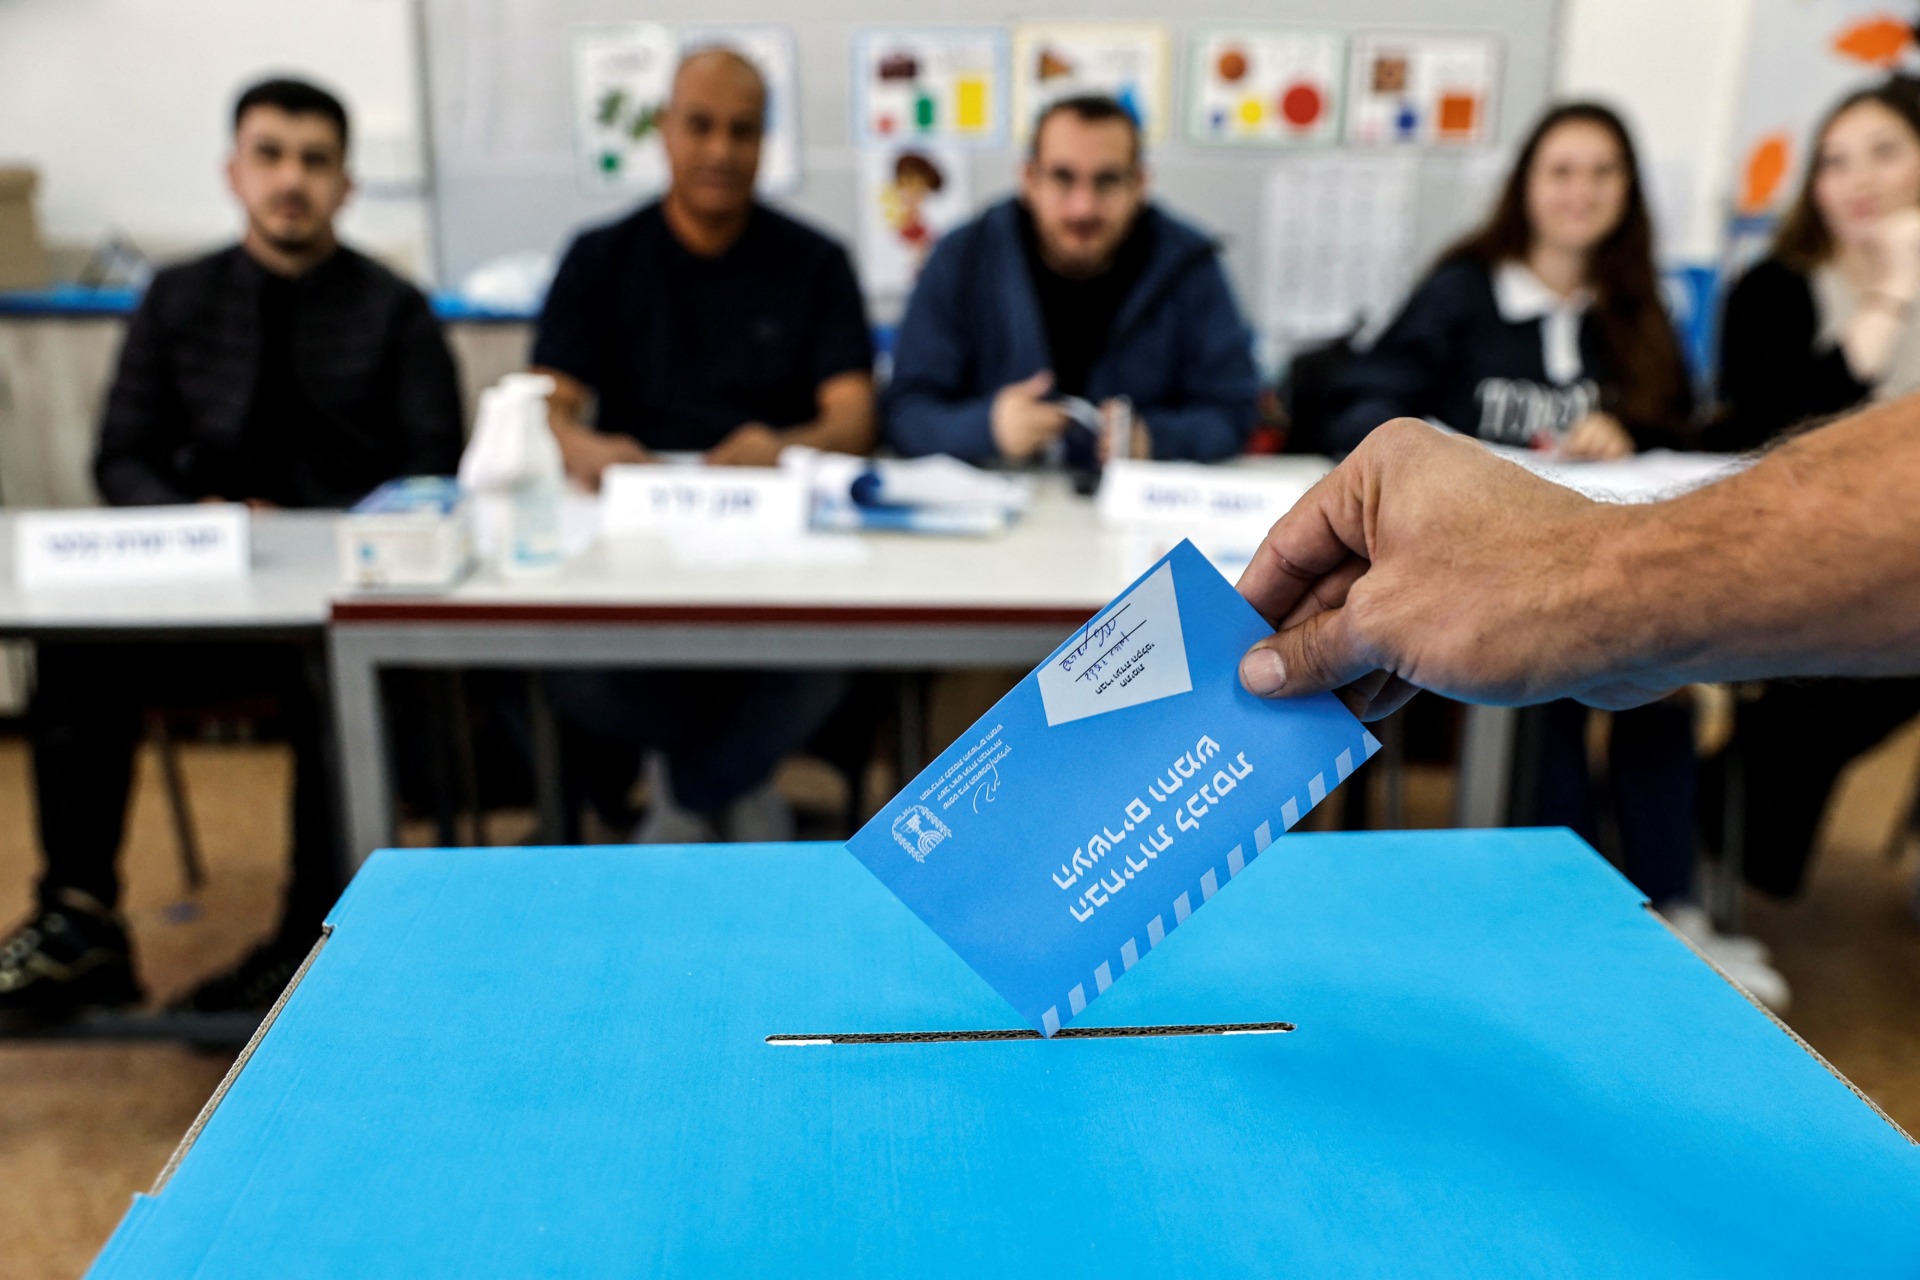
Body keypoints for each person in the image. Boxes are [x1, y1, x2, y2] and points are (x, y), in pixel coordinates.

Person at [0, 78, 464, 1017]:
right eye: (271, 155)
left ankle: (312, 940)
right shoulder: (176, 299)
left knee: (341, 679)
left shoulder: (396, 312)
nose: (291, 179)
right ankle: (81, 923)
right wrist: (207, 522)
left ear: (346, 185)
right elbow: (119, 458)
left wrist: (306, 533)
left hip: (338, 610)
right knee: (76, 657)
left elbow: (431, 471)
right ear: (234, 171)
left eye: (315, 160)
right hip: (201, 602)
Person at [1313, 103, 1746, 983]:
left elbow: (1680, 427)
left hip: (1607, 554)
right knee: (1543, 686)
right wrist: (1443, 455)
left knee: (1659, 682)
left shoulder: (1639, 305)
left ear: (1628, 192)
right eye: (1561, 170)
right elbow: (1363, 403)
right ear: (1526, 185)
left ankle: (1672, 909)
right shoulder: (1464, 289)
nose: (1581, 192)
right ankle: (1566, 917)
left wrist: (1626, 428)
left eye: (1602, 173)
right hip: (1487, 569)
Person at [532, 48, 871, 842]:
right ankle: (734, 779)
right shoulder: (599, 257)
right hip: (634, 550)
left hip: (782, 559)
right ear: (664, 133)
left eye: (743, 131)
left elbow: (854, 420)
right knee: (566, 665)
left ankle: (684, 794)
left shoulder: (817, 262)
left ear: (766, 143)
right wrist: (584, 446)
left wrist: (786, 446)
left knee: (834, 657)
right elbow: (545, 406)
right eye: (701, 126)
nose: (720, 149)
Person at [1710, 81, 1920, 900]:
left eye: (1885, 153)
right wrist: (1889, 299)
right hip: (1799, 560)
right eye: (1834, 161)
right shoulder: (1775, 289)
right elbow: (1786, 442)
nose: (1858, 179)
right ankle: (1720, 852)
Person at [885, 94, 1259, 469]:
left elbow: (1235, 413)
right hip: (995, 509)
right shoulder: (961, 259)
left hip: (1142, 516)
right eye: (1063, 178)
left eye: (1107, 180)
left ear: (1140, 183)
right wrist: (987, 427)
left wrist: (1155, 439)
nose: (1083, 207)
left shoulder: (1190, 265)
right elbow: (904, 413)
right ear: (1030, 179)